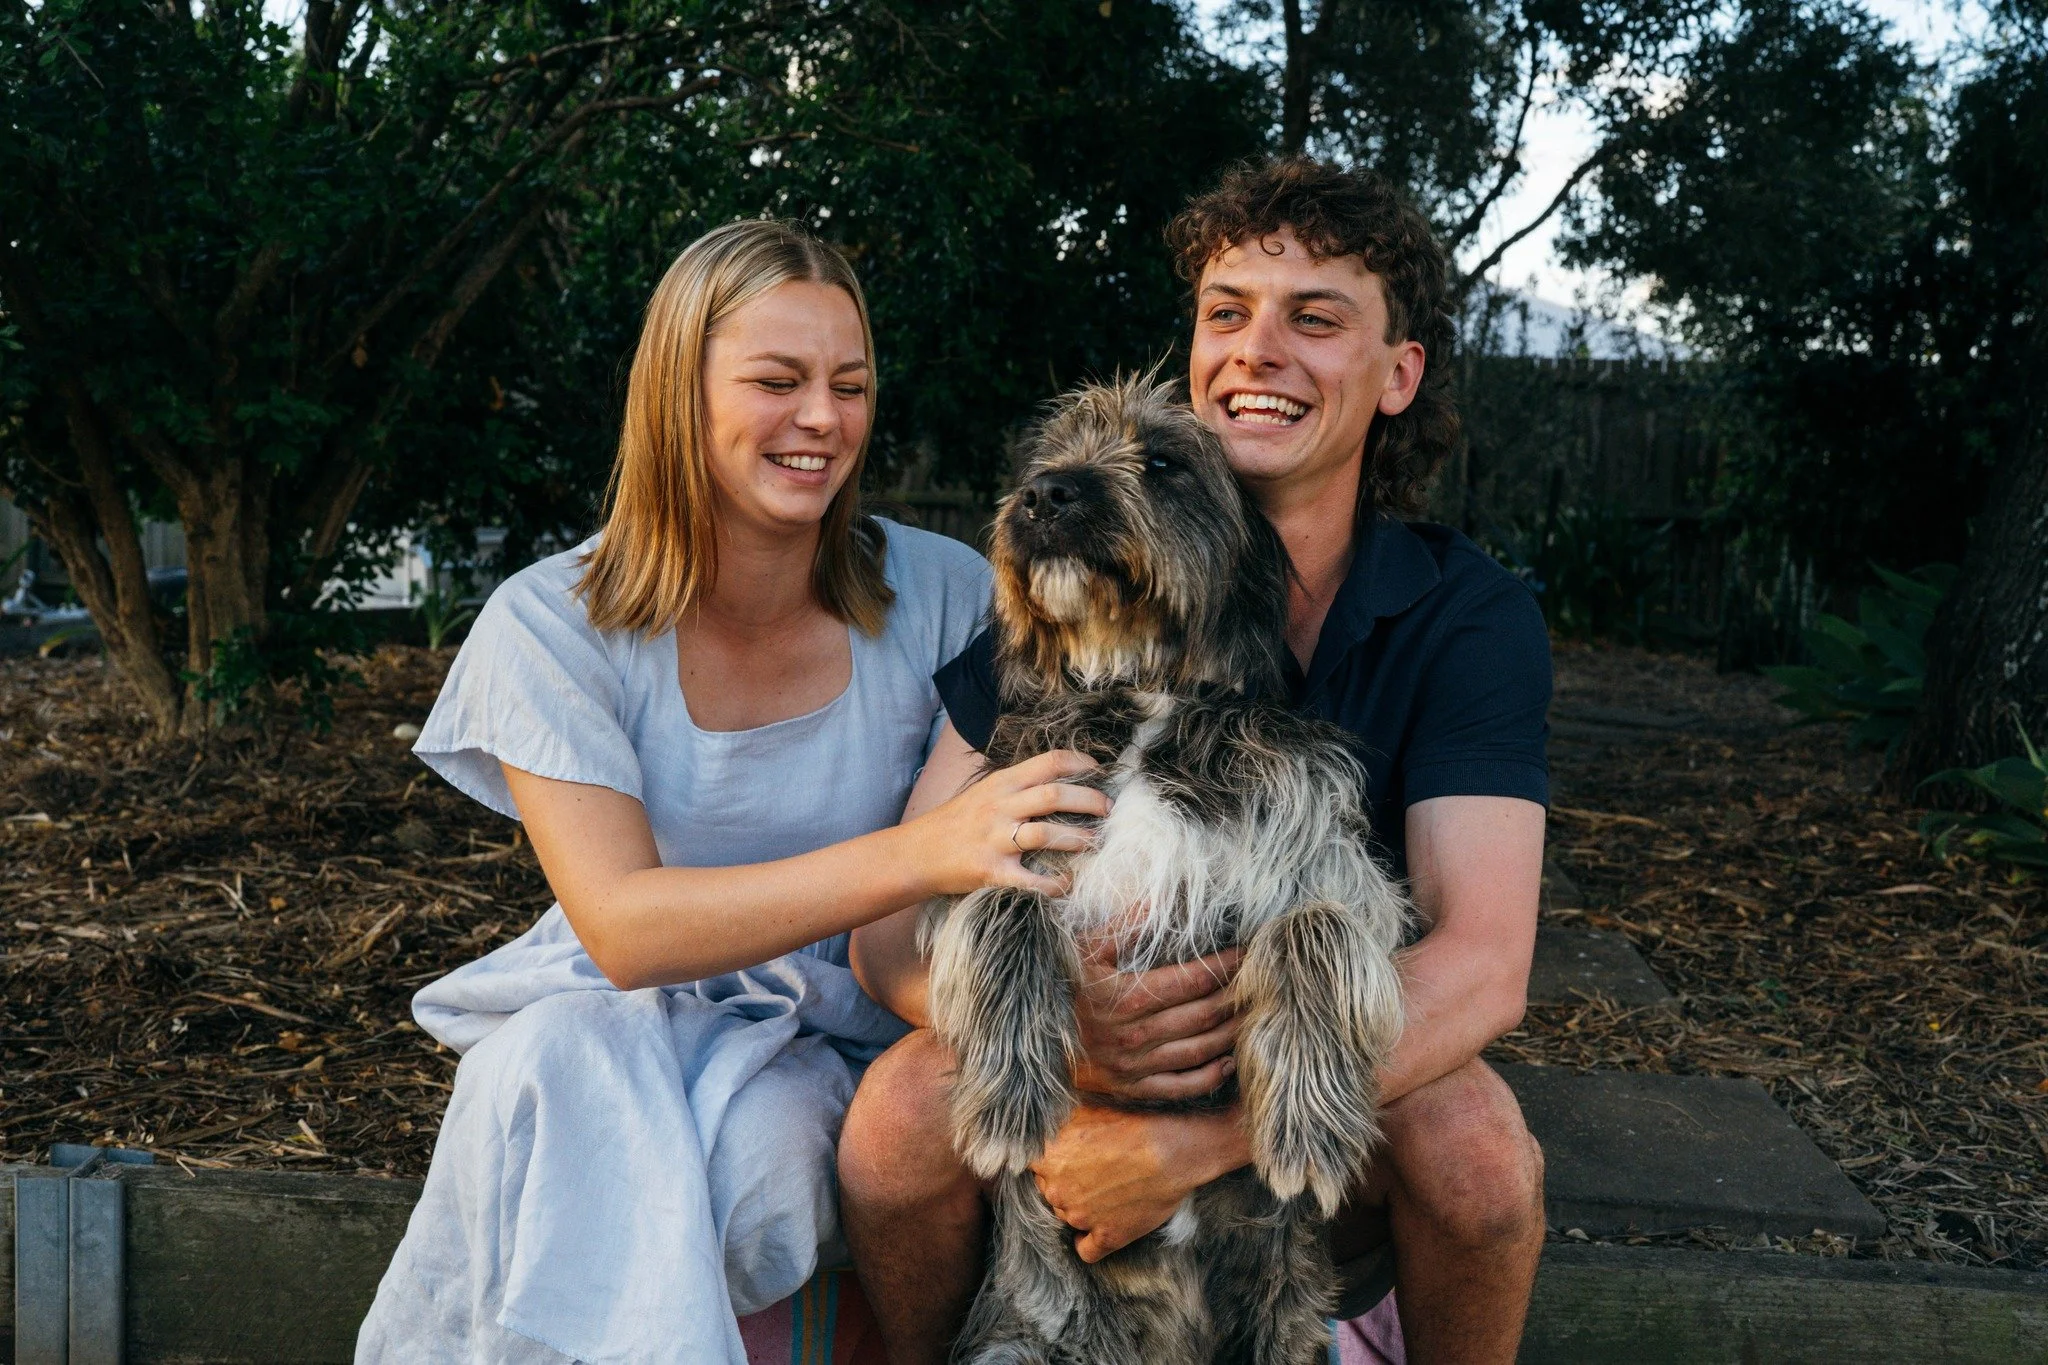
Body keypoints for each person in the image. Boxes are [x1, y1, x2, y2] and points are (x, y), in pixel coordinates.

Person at [354, 219, 1109, 1364]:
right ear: (677, 396)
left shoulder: (946, 592)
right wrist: (928, 850)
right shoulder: (550, 623)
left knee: (754, 1157)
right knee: (545, 1067)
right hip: (623, 1010)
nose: (822, 419)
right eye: (776, 380)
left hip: (853, 1020)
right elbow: (622, 930)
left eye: (848, 385)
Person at [841, 157, 1552, 1365]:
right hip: (1078, 1064)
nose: (1255, 350)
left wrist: (1188, 1143)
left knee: (1480, 1151)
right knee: (895, 1118)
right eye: (1225, 314)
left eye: (1313, 319)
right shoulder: (1065, 605)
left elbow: (1481, 968)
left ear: (1398, 376)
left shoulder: (1462, 614)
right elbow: (886, 935)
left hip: (1303, 1110)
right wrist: (1072, 1045)